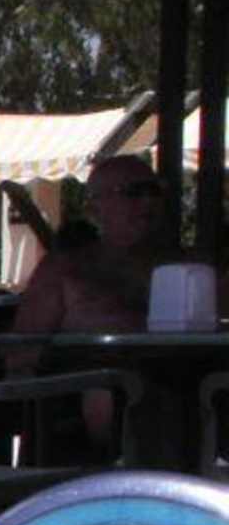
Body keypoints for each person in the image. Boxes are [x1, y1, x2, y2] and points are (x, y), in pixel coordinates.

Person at [12, 155, 184, 448]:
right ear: (95, 207)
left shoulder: (186, 268)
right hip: (97, 395)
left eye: (154, 190)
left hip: (187, 380)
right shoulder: (65, 270)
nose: (147, 202)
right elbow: (20, 355)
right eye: (133, 192)